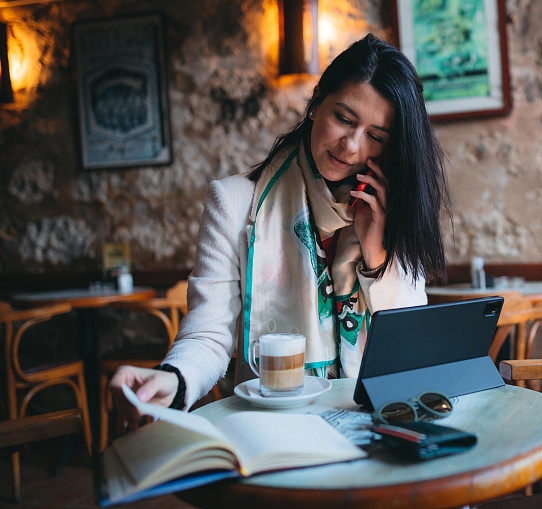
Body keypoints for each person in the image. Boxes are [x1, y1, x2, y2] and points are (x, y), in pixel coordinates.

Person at [110, 34, 450, 429]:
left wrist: (376, 254)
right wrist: (173, 378)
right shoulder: (235, 202)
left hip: (377, 425)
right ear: (316, 101)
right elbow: (210, 332)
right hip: (275, 428)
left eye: (376, 137)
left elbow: (410, 348)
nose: (352, 146)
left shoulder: (392, 212)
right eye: (343, 118)